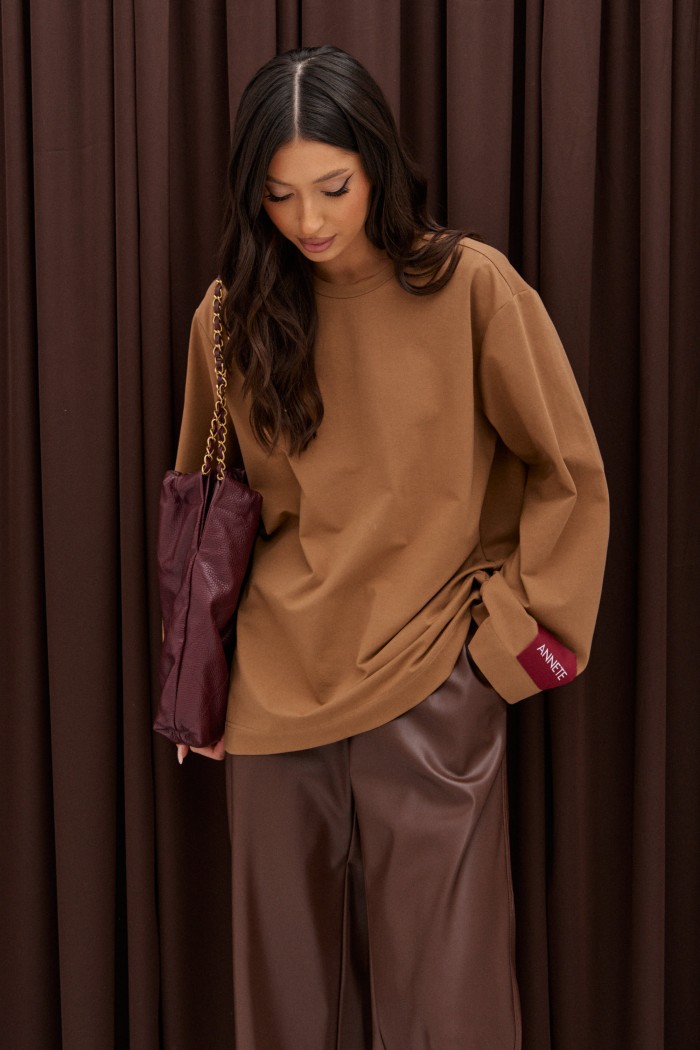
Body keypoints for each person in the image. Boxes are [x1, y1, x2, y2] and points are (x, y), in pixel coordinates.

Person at [170, 44, 609, 1050]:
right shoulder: (230, 318)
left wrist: (502, 655)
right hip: (275, 696)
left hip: (432, 683)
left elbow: (568, 473)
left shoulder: (471, 288)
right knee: (284, 1011)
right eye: (280, 195)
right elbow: (209, 502)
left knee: (451, 1010)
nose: (309, 220)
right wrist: (200, 684)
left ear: (377, 163)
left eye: (333, 187)